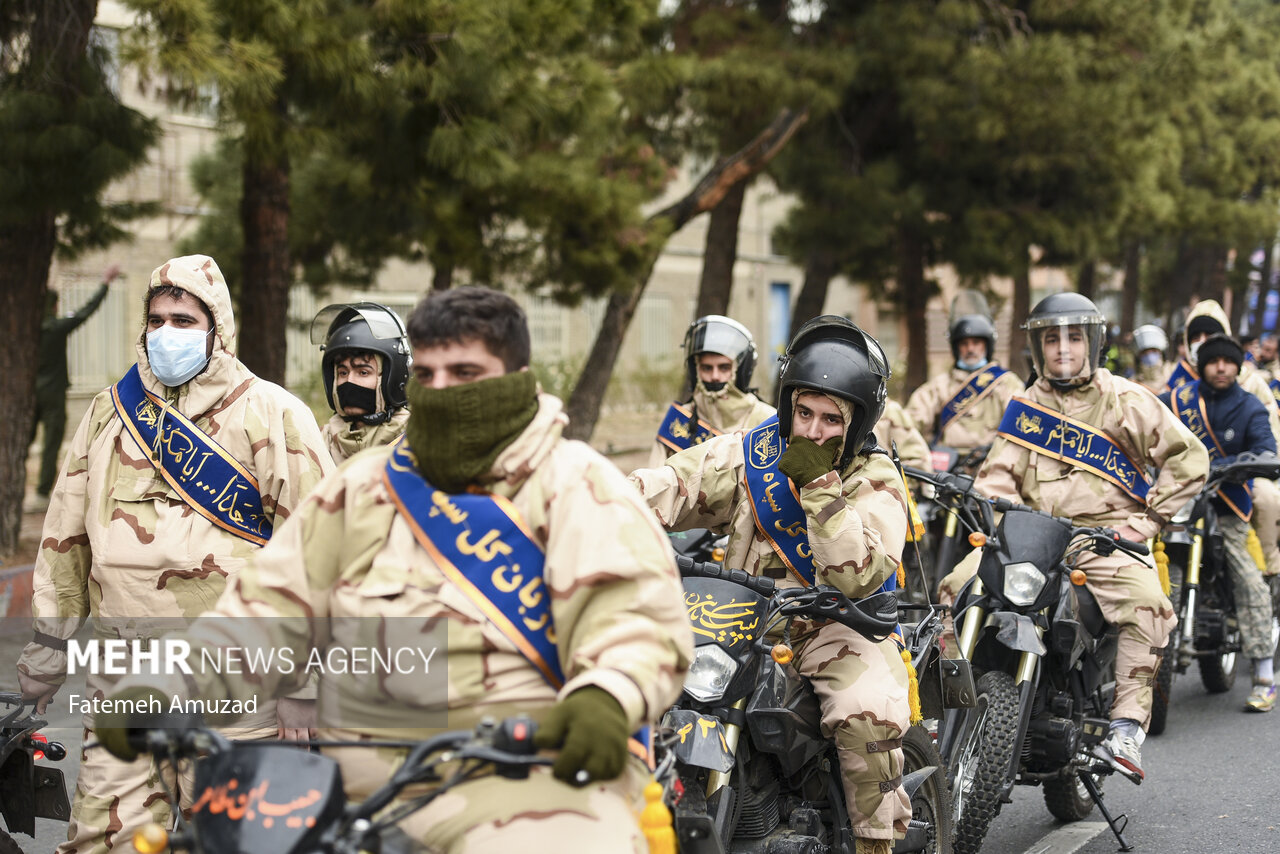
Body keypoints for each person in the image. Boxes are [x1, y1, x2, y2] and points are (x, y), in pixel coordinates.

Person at [97, 286, 693, 852]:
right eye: (428, 375)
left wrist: (606, 698)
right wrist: (173, 685)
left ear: (516, 380)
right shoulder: (362, 488)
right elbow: (266, 608)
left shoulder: (579, 485)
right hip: (354, 795)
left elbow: (633, 622)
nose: (442, 390)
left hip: (529, 781)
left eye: (465, 375)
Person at [15, 255, 335, 854]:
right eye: (157, 319)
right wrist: (45, 655)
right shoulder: (111, 411)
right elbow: (66, 539)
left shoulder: (273, 413)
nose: (167, 333)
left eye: (184, 320)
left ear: (217, 329)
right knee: (101, 842)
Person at [631, 316, 912, 854]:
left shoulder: (874, 478)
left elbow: (853, 574)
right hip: (735, 620)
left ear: (856, 425)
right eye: (803, 412)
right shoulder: (749, 454)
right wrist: (592, 508)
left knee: (865, 712)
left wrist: (819, 486)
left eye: (831, 419)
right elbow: (669, 484)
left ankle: (877, 841)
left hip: (834, 627)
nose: (811, 430)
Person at [937, 292, 1208, 781]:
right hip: (1031, 538)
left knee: (1149, 605)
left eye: (1073, 337)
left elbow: (1190, 460)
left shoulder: (1126, 399)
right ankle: (949, 709)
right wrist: (989, 512)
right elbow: (999, 476)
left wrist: (1146, 523)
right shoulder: (1026, 405)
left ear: (1093, 342)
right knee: (954, 587)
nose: (1062, 347)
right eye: (1051, 338)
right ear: (1038, 347)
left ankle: (1125, 729)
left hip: (1106, 542)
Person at [1159, 334, 1278, 712]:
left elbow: (1267, 451)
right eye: (1213, 362)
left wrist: (1233, 466)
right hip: (1178, 503)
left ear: (1238, 366)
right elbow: (1142, 429)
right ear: (1203, 366)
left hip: (1227, 507)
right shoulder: (1176, 400)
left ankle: (1263, 673)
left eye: (1228, 361)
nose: (1221, 367)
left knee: (1246, 576)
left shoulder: (1250, 407)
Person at [1168, 301, 1280, 582]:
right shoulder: (1175, 384)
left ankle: (1270, 570)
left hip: (1239, 476)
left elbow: (1270, 439)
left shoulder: (1250, 383)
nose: (1202, 343)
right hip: (1184, 480)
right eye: (1195, 338)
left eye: (1209, 336)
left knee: (1267, 498)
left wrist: (1241, 466)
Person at [26, 263, 123, 512]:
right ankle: (40, 493)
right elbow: (85, 312)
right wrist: (104, 284)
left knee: (23, 440)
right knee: (51, 444)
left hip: (28, 393)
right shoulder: (56, 328)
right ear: (54, 305)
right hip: (53, 392)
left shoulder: (25, 331)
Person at [648, 314, 775, 466]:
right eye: (707, 368)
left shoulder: (768, 419)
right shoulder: (679, 420)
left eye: (724, 367)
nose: (715, 376)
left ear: (741, 370)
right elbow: (654, 479)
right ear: (695, 370)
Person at [905, 312, 1022, 465]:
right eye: (964, 343)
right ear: (956, 347)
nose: (970, 349)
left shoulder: (1006, 383)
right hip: (946, 468)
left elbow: (1020, 425)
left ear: (987, 345)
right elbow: (909, 423)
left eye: (976, 342)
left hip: (991, 463)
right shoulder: (939, 386)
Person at [311, 302, 412, 462]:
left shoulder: (418, 440)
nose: (349, 381)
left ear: (392, 378)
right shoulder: (316, 443)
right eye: (342, 373)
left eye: (363, 372)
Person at [1133, 323, 1171, 394]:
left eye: (1154, 351)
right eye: (1145, 353)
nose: (1149, 356)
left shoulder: (1173, 376)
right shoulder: (1132, 384)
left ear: (1161, 353)